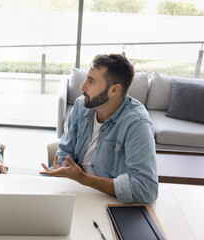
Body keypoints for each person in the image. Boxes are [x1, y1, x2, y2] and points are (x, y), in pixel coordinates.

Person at [40, 54, 158, 203]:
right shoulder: (80, 105)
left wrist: (83, 179)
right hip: (74, 184)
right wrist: (63, 174)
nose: (82, 87)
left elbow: (146, 189)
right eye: (86, 79)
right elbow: (66, 149)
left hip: (106, 195)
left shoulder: (137, 124)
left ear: (114, 90)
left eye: (91, 82)